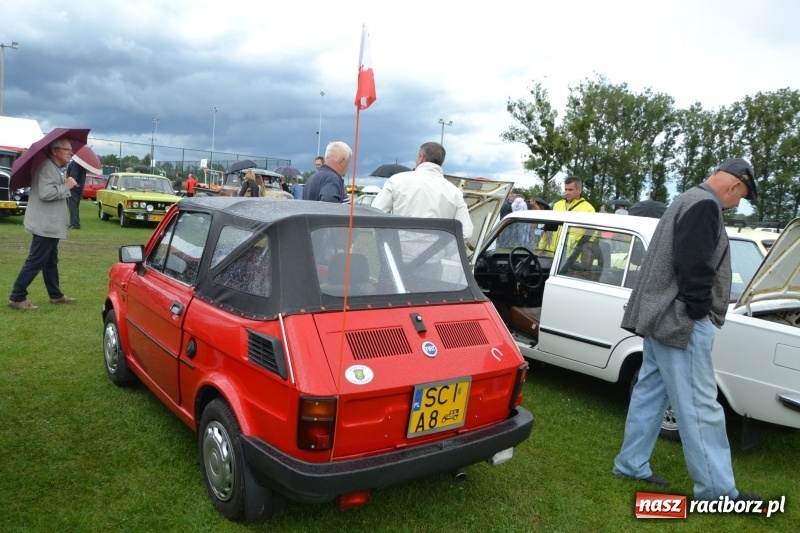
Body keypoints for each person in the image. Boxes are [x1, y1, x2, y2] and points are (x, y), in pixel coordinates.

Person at [613, 158, 759, 502]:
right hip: (681, 322)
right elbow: (693, 266)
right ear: (735, 185)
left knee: (649, 392)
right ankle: (718, 491)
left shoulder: (687, 197)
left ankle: (631, 465)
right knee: (700, 407)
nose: (738, 202)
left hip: (661, 318)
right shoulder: (706, 204)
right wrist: (699, 313)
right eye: (741, 196)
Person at [8, 139, 79, 310]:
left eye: (71, 150)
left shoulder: (55, 167)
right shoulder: (48, 167)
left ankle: (56, 295)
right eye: (67, 149)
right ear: (55, 151)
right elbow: (46, 194)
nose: (71, 152)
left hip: (50, 224)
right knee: (36, 261)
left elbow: (50, 190)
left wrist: (64, 183)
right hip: (45, 224)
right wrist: (66, 186)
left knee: (50, 261)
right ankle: (17, 297)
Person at [372, 141, 473, 241]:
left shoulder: (396, 180)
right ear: (441, 162)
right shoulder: (454, 192)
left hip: (396, 252)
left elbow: (374, 214)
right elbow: (466, 233)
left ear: (421, 158)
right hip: (435, 254)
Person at [540, 176, 595, 254]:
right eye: (565, 189)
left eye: (570, 190)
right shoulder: (557, 205)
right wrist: (541, 248)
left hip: (573, 258)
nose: (567, 192)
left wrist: (583, 256)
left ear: (579, 190)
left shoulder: (588, 209)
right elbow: (549, 229)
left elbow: (591, 237)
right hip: (552, 254)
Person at [66, 160, 87, 229]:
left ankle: (74, 224)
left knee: (73, 206)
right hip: (80, 187)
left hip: (74, 187)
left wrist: (68, 177)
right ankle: (74, 223)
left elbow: (73, 176)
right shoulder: (83, 163)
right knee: (75, 206)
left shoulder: (75, 163)